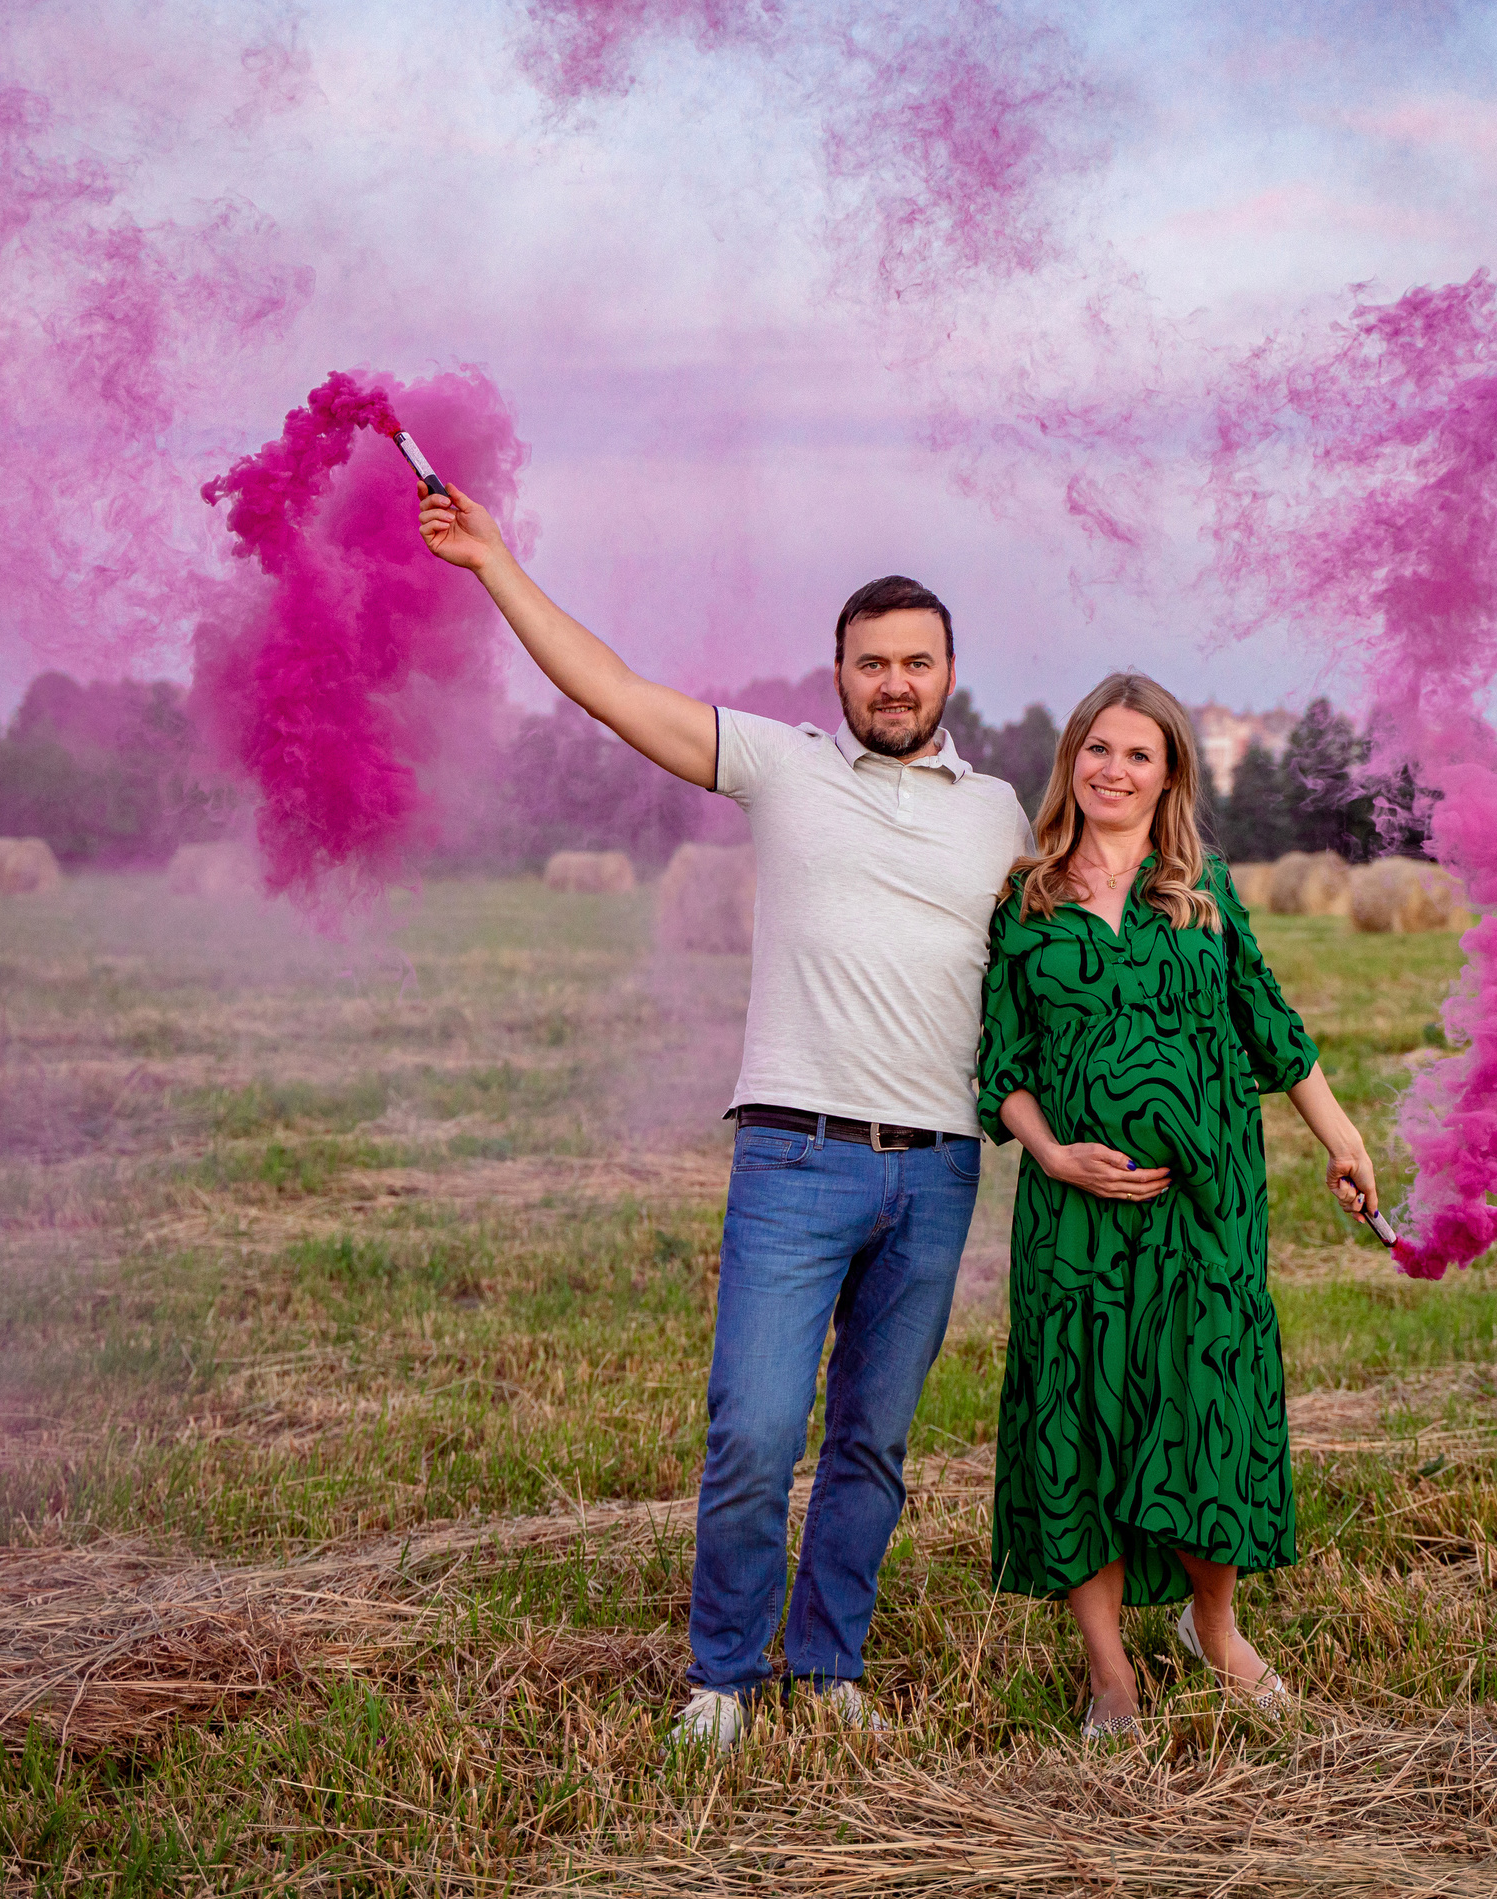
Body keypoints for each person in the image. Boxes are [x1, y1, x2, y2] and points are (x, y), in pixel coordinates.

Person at [418, 482, 1030, 1751]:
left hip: (937, 1171)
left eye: (917, 662)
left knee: (872, 1442)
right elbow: (611, 689)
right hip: (795, 1156)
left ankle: (829, 1666)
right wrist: (493, 564)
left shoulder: (1001, 813)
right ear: (839, 674)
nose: (895, 683)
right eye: (872, 663)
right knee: (753, 1431)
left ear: (950, 673)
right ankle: (722, 1679)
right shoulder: (780, 765)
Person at [976, 672, 1380, 1738]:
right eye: (1097, 748)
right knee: (1078, 1412)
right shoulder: (1025, 901)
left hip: (1207, 1209)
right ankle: (1109, 1670)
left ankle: (1216, 1626)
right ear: (1071, 758)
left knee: (1207, 1405)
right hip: (1073, 1217)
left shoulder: (1203, 891)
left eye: (1137, 755)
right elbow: (1001, 1064)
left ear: (1169, 776)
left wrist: (1340, 1137)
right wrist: (1053, 1154)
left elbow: (1270, 1024)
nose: (1113, 770)